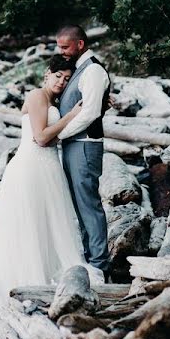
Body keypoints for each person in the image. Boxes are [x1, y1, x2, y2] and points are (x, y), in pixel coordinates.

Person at [0, 54, 104, 298]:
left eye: (66, 78)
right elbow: (40, 138)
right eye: (58, 76)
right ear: (46, 74)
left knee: (50, 222)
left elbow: (51, 137)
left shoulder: (55, 100)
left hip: (48, 166)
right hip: (31, 166)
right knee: (31, 222)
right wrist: (71, 116)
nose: (61, 82)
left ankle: (54, 274)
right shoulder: (37, 96)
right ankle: (30, 277)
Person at [55, 24, 111, 276]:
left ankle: (99, 266)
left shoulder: (94, 70)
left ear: (80, 44)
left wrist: (57, 134)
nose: (62, 52)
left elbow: (90, 112)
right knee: (79, 206)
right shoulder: (79, 70)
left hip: (85, 145)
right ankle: (90, 259)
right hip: (74, 145)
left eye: (65, 47)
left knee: (89, 206)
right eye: (59, 47)